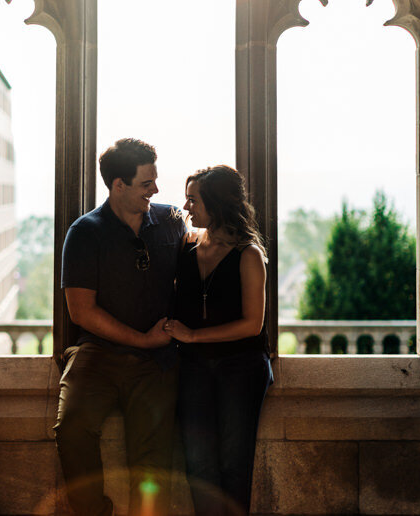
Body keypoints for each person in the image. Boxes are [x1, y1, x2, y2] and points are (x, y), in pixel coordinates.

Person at [54, 138, 186, 516]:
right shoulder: (85, 232)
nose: (156, 190)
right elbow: (81, 312)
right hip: (98, 354)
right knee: (71, 430)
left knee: (152, 460)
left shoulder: (172, 221)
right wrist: (141, 340)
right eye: (147, 184)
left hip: (157, 362)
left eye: (155, 181)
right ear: (118, 185)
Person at [164, 165, 272, 516]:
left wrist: (193, 335)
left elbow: (252, 325)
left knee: (233, 463)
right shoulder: (187, 247)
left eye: (194, 200)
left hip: (240, 366)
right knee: (198, 465)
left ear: (217, 204)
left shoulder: (249, 255)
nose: (186, 206)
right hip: (193, 366)